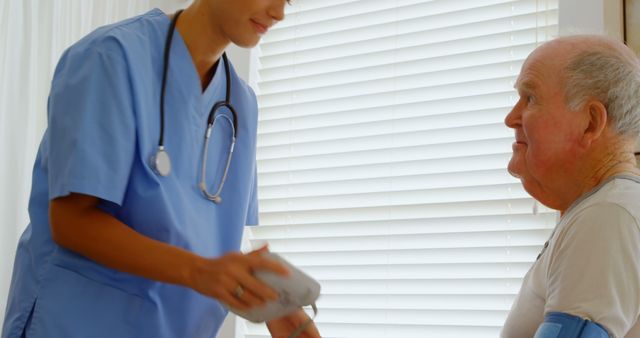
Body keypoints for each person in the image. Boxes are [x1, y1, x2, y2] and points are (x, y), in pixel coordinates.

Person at [1, 1, 321, 338]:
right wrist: (202, 271)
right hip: (76, 323)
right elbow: (71, 222)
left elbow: (199, 235)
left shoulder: (241, 104)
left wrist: (270, 297)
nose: (279, 13)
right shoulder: (110, 58)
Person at [501, 35, 640, 338]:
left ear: (590, 122)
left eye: (530, 98)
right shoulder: (606, 209)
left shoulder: (607, 216)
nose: (510, 118)